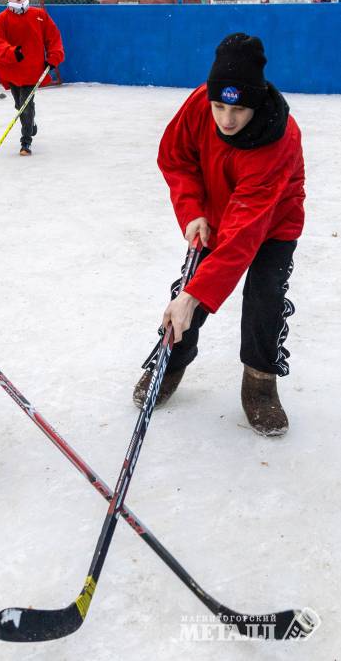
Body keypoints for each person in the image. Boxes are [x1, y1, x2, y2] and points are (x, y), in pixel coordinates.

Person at [133, 33, 305, 437]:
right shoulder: (198, 104)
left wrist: (193, 296)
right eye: (219, 106)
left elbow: (243, 239)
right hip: (214, 212)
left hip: (272, 221)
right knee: (187, 297)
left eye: (238, 109)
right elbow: (175, 158)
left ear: (257, 102)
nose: (226, 120)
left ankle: (260, 382)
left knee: (265, 297)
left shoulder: (279, 139)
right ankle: (169, 364)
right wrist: (192, 211)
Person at [0, 0, 64, 155]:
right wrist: (11, 52)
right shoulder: (1, 19)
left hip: (32, 70)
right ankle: (31, 124)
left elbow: (53, 37)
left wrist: (53, 57)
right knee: (19, 105)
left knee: (26, 105)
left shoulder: (40, 15)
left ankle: (25, 141)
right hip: (11, 70)